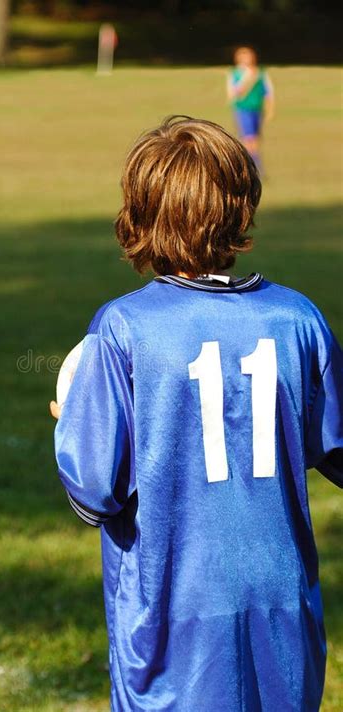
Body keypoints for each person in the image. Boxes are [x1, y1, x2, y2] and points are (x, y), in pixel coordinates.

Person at [51, 116, 342, 712]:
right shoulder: (298, 320)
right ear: (242, 207)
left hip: (172, 623)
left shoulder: (124, 329)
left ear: (138, 214)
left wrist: (71, 421)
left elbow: (96, 490)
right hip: (284, 610)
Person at [227, 46, 274, 172]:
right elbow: (233, 94)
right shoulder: (236, 74)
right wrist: (247, 78)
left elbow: (268, 91)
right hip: (243, 109)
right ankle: (253, 165)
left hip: (256, 109)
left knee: (255, 138)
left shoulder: (260, 73)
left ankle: (252, 164)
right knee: (249, 138)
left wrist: (270, 108)